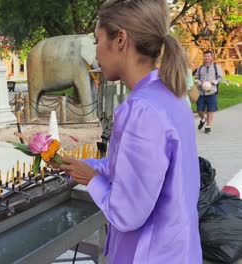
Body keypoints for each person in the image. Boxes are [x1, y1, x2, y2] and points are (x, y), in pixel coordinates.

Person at [55, 0, 202, 263]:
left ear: (120, 39)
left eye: (97, 40)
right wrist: (86, 166)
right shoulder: (171, 95)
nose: (95, 54)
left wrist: (92, 179)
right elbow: (133, 170)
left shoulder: (142, 110)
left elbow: (127, 213)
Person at [194, 50, 223, 134]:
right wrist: (200, 83)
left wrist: (214, 82)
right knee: (199, 110)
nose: (206, 57)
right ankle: (203, 119)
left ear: (211, 57)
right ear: (203, 57)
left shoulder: (216, 67)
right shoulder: (200, 68)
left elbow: (220, 78)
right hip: (201, 93)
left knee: (210, 109)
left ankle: (208, 126)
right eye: (205, 56)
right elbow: (196, 79)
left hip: (212, 92)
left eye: (208, 56)